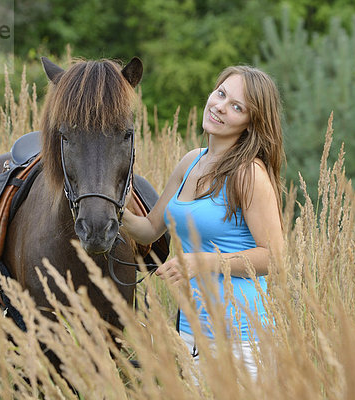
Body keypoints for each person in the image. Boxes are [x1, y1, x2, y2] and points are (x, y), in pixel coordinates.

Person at [122, 65, 285, 378]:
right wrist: (108, 206)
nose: (220, 106)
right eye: (221, 94)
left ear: (251, 123)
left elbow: (274, 257)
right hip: (191, 330)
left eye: (237, 107)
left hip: (241, 338)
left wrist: (203, 262)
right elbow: (148, 230)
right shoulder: (191, 161)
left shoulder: (248, 174)